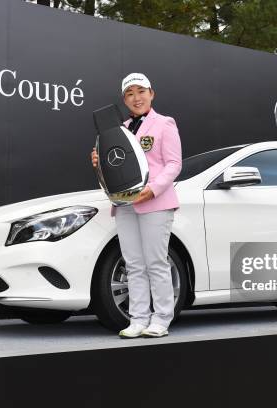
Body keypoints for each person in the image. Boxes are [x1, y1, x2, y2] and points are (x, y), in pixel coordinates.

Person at [91, 73, 182, 338]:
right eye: (130, 93)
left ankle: (162, 319)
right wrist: (99, 161)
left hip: (155, 202)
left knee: (155, 262)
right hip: (124, 204)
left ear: (151, 94)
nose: (136, 97)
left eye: (141, 91)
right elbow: (114, 166)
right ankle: (138, 319)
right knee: (133, 264)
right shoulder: (118, 130)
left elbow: (174, 164)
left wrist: (151, 190)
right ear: (124, 99)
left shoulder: (164, 123)